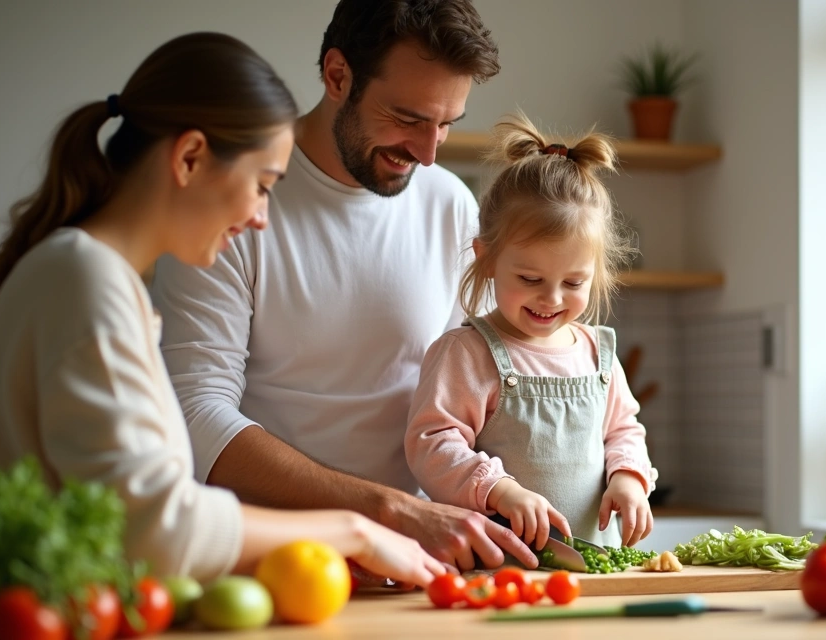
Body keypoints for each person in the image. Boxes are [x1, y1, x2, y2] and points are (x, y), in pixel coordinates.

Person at [0, 32, 445, 587]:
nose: (260, 216)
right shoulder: (85, 280)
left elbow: (142, 512)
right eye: (261, 185)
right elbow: (156, 529)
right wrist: (357, 529)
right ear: (189, 158)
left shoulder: (87, 273)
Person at [149, 0, 536, 570]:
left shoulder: (450, 204)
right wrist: (387, 512)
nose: (429, 153)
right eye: (407, 118)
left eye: (446, 123)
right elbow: (195, 411)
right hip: (270, 560)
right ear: (337, 75)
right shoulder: (236, 202)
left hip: (419, 558)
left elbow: (481, 381)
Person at [405, 113, 657, 551]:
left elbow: (623, 430)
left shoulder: (597, 352)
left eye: (574, 283)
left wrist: (629, 478)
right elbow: (432, 444)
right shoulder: (466, 353)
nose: (552, 299)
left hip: (595, 566)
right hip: (495, 566)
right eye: (530, 279)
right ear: (485, 259)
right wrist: (499, 488)